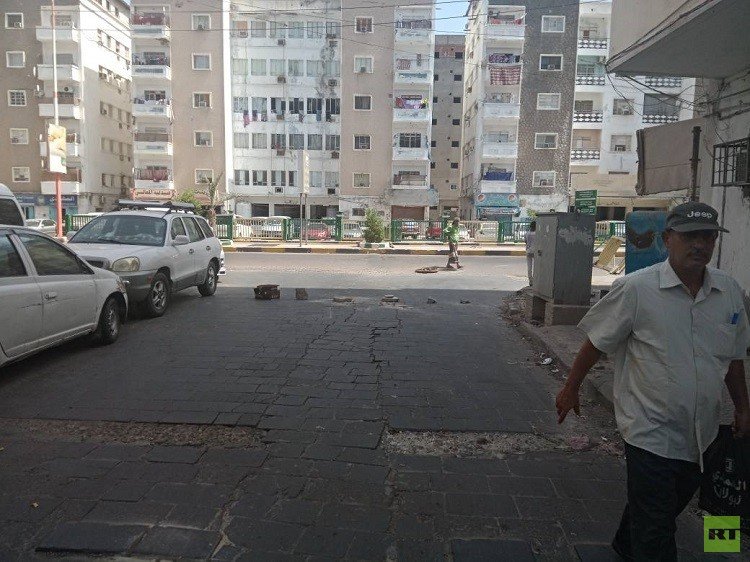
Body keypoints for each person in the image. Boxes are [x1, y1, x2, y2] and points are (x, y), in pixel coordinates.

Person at [555, 201, 750, 561]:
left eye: (707, 237)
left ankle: (626, 543)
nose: (700, 245)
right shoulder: (637, 289)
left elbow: (734, 356)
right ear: (667, 238)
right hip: (649, 430)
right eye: (690, 236)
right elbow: (596, 342)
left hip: (703, 434)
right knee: (657, 531)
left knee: (664, 507)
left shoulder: (729, 292)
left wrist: (742, 408)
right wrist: (571, 388)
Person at [524, 221, 536, 286]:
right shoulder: (537, 233)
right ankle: (535, 280)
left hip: (528, 251)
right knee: (536, 266)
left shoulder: (527, 233)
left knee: (529, 267)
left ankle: (530, 281)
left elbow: (525, 242)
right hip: (535, 251)